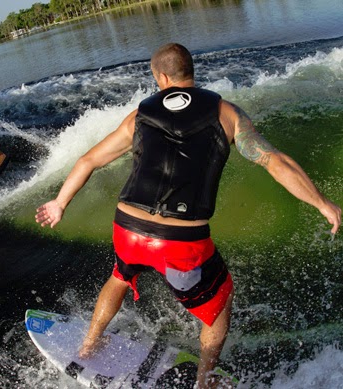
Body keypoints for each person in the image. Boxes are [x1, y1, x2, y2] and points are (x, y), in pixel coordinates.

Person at [35, 43, 341, 389]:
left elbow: (88, 160)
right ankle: (204, 380)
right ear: (190, 72)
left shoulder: (138, 116)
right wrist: (322, 203)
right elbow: (275, 161)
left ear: (161, 77)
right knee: (221, 299)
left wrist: (60, 203)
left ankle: (90, 344)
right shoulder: (227, 114)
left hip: (128, 229)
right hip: (180, 245)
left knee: (120, 275)